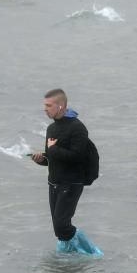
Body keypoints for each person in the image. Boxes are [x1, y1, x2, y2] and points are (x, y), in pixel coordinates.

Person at [31, 89, 101, 256]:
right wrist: (41, 159)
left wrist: (54, 150)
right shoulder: (51, 129)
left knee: (62, 225)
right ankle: (69, 256)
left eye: (49, 105)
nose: (45, 109)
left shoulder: (77, 128)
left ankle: (92, 253)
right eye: (44, 105)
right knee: (58, 227)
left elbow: (77, 157)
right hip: (54, 182)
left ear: (60, 105)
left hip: (71, 183)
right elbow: (52, 158)